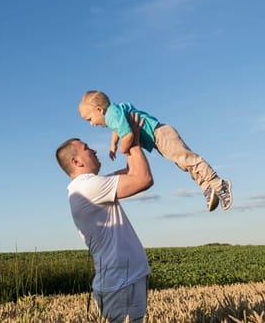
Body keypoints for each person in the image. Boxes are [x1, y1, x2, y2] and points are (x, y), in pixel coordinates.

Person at [56, 113, 153, 323]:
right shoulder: (87, 187)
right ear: (76, 161)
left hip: (127, 278)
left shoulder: (92, 185)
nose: (93, 150)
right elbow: (143, 179)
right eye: (87, 148)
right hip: (119, 283)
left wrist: (126, 136)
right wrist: (132, 139)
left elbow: (132, 170)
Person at [78, 90, 233, 212]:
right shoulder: (114, 113)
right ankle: (207, 187)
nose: (91, 124)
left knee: (188, 160)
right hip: (159, 136)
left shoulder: (112, 114)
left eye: (89, 119)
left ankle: (220, 184)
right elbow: (117, 129)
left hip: (160, 134)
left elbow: (128, 134)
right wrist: (113, 145)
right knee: (184, 164)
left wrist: (123, 149)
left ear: (99, 110)